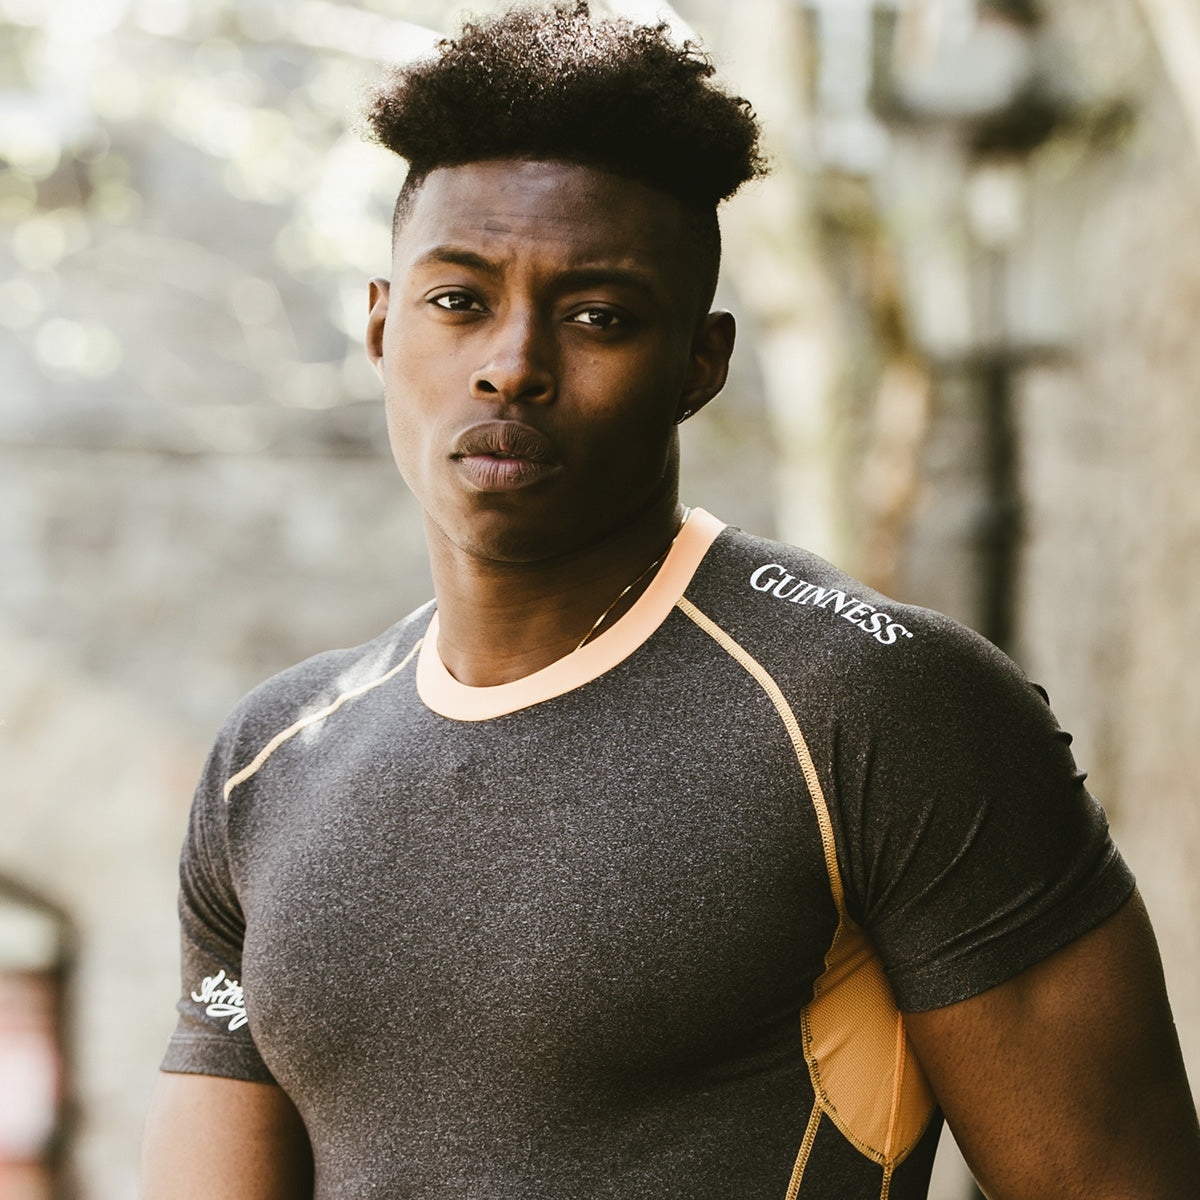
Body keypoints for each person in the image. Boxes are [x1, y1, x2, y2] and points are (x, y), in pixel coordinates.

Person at [139, 4, 1200, 1198]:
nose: (514, 363)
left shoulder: (879, 709)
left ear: (701, 364)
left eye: (600, 316)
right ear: (381, 326)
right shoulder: (266, 768)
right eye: (459, 302)